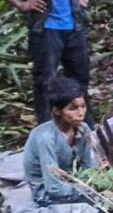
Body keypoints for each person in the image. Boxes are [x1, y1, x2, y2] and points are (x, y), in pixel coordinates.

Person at [23, 77, 96, 206]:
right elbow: (53, 186)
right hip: (46, 191)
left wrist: (92, 182)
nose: (81, 113)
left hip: (75, 182)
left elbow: (89, 166)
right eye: (73, 109)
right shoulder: (46, 138)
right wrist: (85, 190)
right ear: (57, 110)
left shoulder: (83, 129)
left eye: (83, 107)